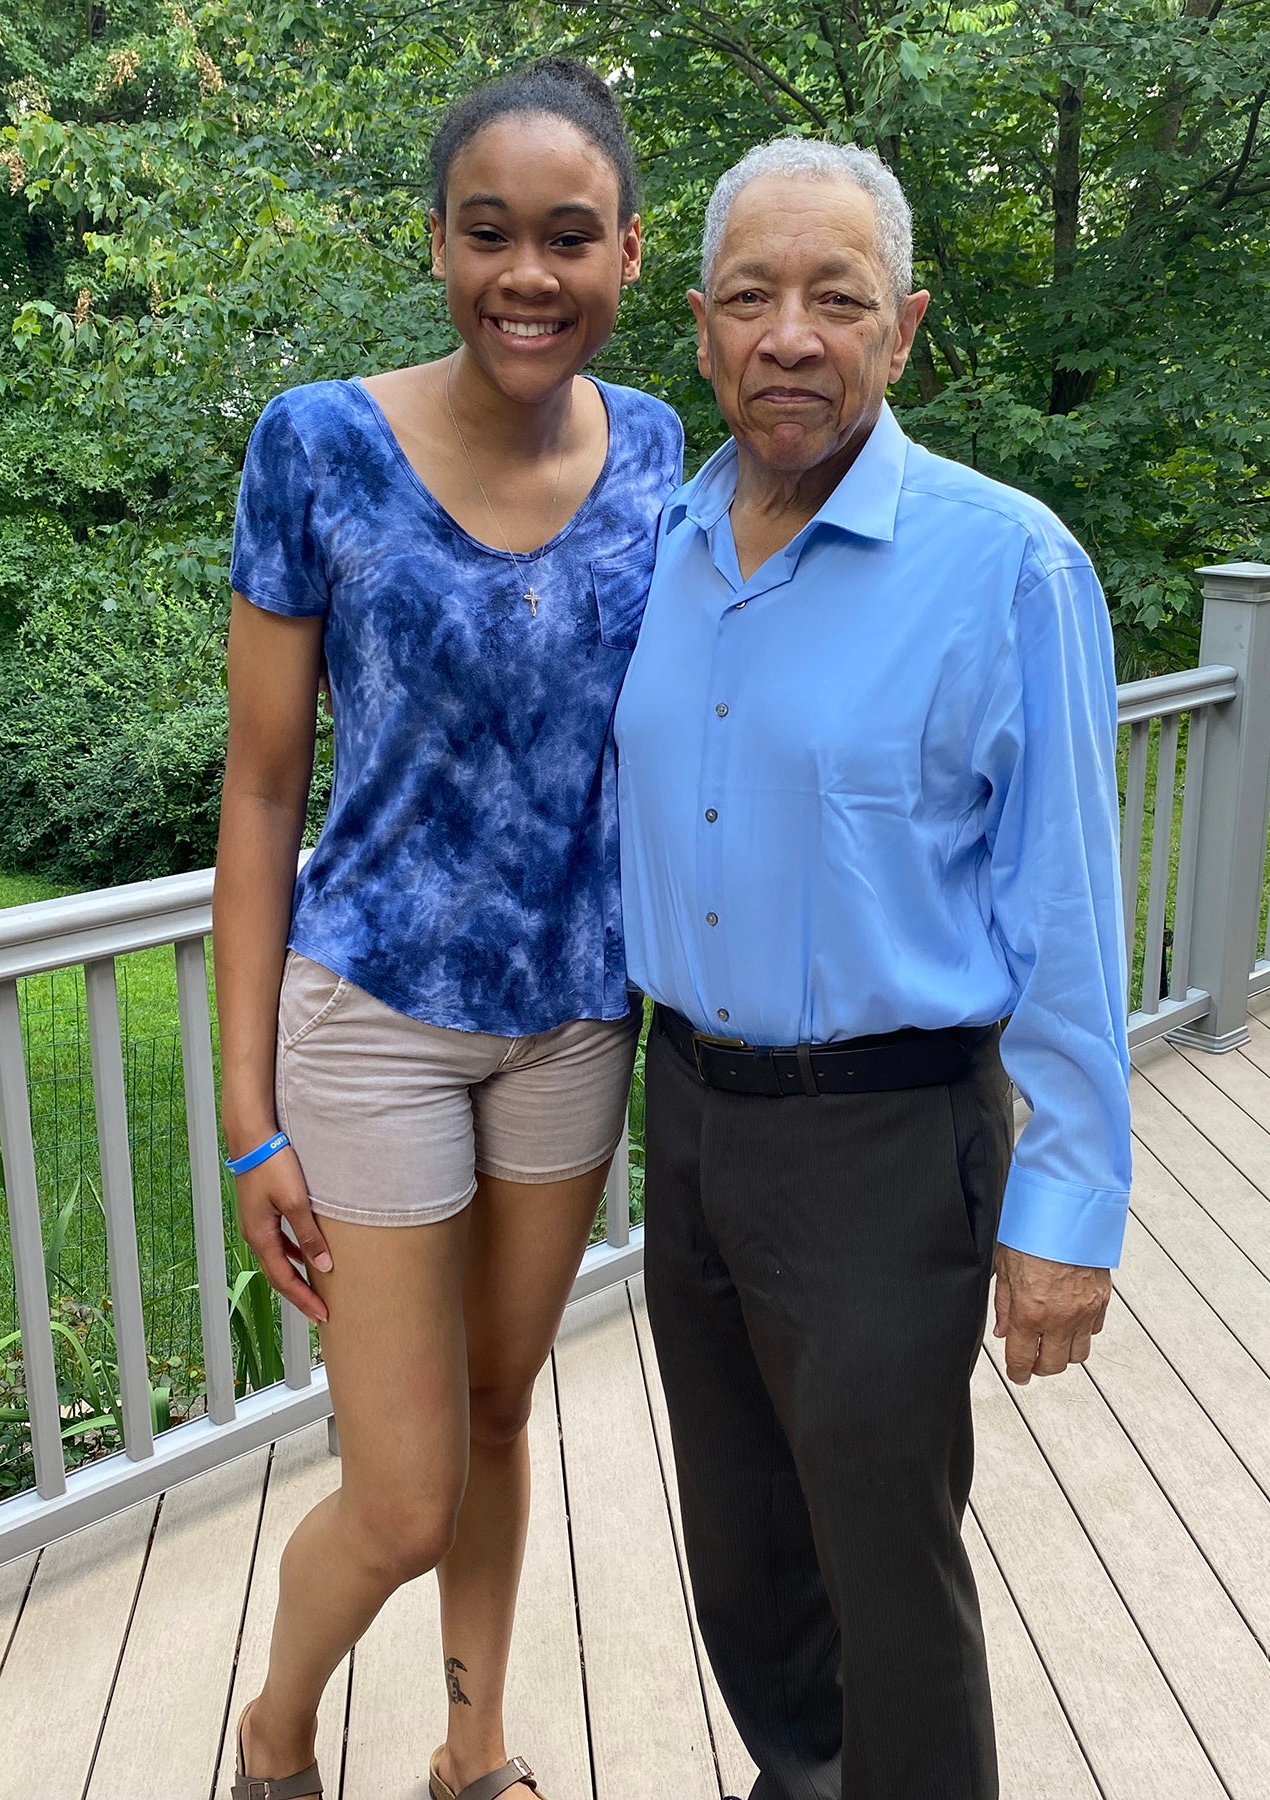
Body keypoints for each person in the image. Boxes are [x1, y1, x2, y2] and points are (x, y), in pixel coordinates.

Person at [614, 138, 1132, 1800]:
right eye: (753, 295)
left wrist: (1063, 1215)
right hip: (687, 1110)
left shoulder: (1007, 566)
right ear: (697, 327)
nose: (790, 333)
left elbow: (1067, 914)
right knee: (747, 1560)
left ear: (899, 331)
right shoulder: (665, 547)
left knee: (881, 1581)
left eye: (834, 298)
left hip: (890, 1143)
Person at [213, 57, 682, 1800]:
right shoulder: (316, 444)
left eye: (570, 237)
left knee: (501, 1418)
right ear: (437, 244)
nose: (528, 275)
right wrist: (248, 1108)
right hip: (377, 1016)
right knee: (404, 1492)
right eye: (490, 234)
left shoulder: (655, 447)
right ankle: (278, 1721)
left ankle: (471, 1754)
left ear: (628, 257)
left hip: (571, 1021)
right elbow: (263, 794)